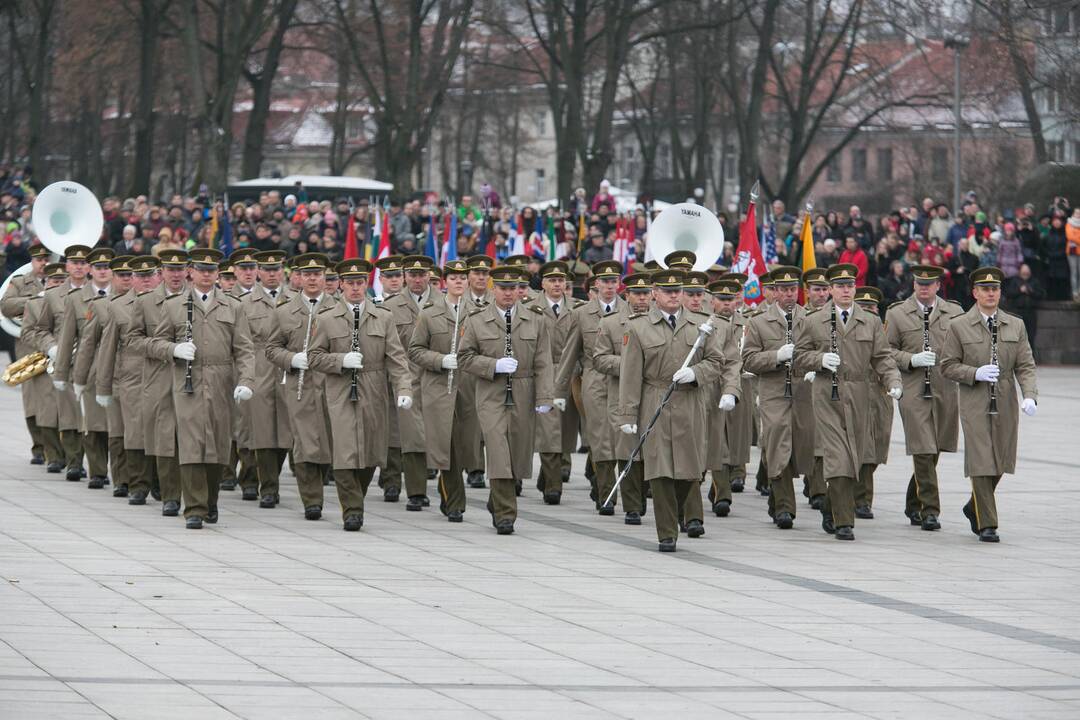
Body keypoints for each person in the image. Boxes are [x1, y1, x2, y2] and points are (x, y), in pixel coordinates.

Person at [615, 268, 724, 552]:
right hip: (656, 398)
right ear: (654, 294)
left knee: (690, 471)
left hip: (690, 401)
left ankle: (675, 513)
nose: (674, 295)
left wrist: (696, 372)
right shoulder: (638, 327)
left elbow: (716, 361)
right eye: (667, 291)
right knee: (660, 470)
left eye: (678, 291)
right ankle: (666, 533)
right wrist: (627, 414)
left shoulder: (701, 325)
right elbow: (630, 375)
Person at [148, 248, 256, 529]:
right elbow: (155, 343)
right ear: (190, 272)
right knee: (191, 442)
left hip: (222, 380)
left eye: (211, 271)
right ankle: (193, 508)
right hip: (188, 380)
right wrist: (174, 349)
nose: (206, 275)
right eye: (200, 270)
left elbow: (244, 349)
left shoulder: (234, 307)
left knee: (218, 445)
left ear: (218, 273)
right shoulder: (173, 306)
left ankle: (210, 500)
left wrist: (246, 381)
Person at [793, 263, 901, 541]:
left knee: (856, 458)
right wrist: (819, 360)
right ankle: (844, 522)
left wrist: (893, 382)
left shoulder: (870, 320)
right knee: (839, 456)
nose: (845, 290)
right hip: (828, 392)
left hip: (860, 392)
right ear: (830, 289)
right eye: (840, 286)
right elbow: (798, 356)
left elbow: (883, 358)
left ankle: (831, 507)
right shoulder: (815, 320)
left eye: (849, 285)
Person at [306, 259, 412, 531]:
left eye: (360, 282)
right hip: (339, 389)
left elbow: (397, 358)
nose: (355, 288)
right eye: (350, 283)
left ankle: (356, 495)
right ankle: (352, 510)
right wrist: (341, 360)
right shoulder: (327, 318)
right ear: (341, 284)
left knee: (370, 452)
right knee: (344, 450)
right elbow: (314, 357)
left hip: (374, 388)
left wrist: (403, 388)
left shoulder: (383, 317)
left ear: (367, 283)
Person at [940, 267, 1038, 543]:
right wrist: (974, 373)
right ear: (975, 293)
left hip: (1005, 397)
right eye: (985, 289)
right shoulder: (959, 325)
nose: (990, 293)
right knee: (982, 459)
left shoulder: (1014, 325)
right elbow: (947, 366)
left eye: (994, 289)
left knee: (1001, 460)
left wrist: (1029, 394)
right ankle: (988, 524)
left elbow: (1025, 364)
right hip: (975, 398)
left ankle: (975, 505)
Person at [457, 266, 555, 535]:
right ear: (493, 289)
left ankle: (497, 499)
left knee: (518, 452)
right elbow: (464, 358)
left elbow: (544, 361)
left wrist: (546, 396)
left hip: (524, 390)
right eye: (503, 288)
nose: (509, 293)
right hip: (491, 391)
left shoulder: (536, 319)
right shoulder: (477, 319)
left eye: (514, 288)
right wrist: (494, 365)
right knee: (498, 450)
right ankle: (505, 514)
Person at [884, 265, 963, 530]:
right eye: (920, 283)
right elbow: (885, 351)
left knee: (935, 447)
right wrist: (911, 359)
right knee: (923, 447)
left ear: (939, 286)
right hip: (913, 387)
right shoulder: (897, 313)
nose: (924, 288)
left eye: (929, 284)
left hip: (945, 387)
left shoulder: (954, 312)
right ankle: (931, 510)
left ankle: (913, 501)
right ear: (914, 285)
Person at [265, 253, 337, 521]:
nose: (313, 279)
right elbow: (271, 348)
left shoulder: (338, 308)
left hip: (332, 384)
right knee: (306, 442)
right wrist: (291, 359)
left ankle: (325, 483)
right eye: (307, 274)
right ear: (298, 277)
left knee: (329, 441)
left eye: (317, 274)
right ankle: (312, 500)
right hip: (300, 384)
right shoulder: (284, 310)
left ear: (324, 277)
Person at [741, 266, 807, 529]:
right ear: (774, 292)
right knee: (778, 444)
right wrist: (776, 356)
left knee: (799, 447)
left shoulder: (810, 319)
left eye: (793, 289)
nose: (790, 294)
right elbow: (748, 359)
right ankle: (784, 508)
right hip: (773, 391)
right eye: (784, 290)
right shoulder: (758, 322)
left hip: (803, 392)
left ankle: (776, 499)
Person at [407, 258, 471, 522]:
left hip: (470, 388)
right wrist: (440, 360)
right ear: (445, 282)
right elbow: (415, 350)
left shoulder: (481, 311)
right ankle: (454, 500)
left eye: (462, 277)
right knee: (447, 448)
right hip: (439, 388)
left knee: (470, 447)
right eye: (453, 278)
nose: (458, 282)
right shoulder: (430, 313)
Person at [125, 248, 188, 516]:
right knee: (165, 437)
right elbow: (132, 340)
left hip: (193, 378)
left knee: (192, 437)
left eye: (180, 269)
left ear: (188, 271)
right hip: (160, 376)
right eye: (170, 270)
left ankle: (196, 493)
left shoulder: (197, 300)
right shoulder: (147, 302)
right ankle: (170, 494)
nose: (175, 275)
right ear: (161, 272)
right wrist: (167, 349)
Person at [94, 256, 161, 506]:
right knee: (134, 433)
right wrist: (103, 386)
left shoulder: (171, 303)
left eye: (149, 276)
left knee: (162, 432)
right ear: (132, 279)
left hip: (163, 376)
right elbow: (107, 349)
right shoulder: (118, 306)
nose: (145, 281)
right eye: (140, 276)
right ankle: (138, 484)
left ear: (158, 276)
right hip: (131, 378)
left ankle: (161, 482)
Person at [71, 255, 135, 498]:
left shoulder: (144, 302)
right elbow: (87, 344)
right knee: (100, 427)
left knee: (129, 430)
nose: (126, 279)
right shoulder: (100, 305)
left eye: (130, 275)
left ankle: (135, 478)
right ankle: (107, 474)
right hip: (103, 371)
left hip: (135, 374)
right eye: (122, 275)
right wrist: (79, 378)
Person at [53, 247, 115, 489]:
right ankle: (98, 472)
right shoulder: (76, 299)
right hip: (90, 369)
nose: (103, 271)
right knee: (95, 425)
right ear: (90, 270)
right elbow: (68, 338)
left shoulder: (125, 295)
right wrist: (61, 374)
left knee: (118, 427)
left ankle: (123, 473)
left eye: (107, 267)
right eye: (98, 267)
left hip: (119, 369)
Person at [593, 272, 653, 524]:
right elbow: (599, 358)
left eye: (645, 293)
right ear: (626, 295)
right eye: (636, 294)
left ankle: (647, 497)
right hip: (621, 394)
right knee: (627, 449)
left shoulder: (660, 320)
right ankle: (631, 505)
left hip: (651, 392)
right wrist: (630, 364)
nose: (641, 299)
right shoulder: (611, 322)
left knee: (651, 448)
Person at [382, 255, 434, 510]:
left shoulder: (444, 303)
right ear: (405, 277)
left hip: (436, 377)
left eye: (422, 274)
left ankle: (449, 491)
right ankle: (415, 491)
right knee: (409, 435)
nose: (417, 279)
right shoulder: (392, 306)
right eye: (412, 275)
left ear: (429, 276)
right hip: (405, 377)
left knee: (437, 435)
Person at [528, 260, 579, 504]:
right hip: (543, 373)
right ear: (543, 284)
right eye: (552, 280)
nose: (557, 284)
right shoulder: (530, 308)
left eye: (561, 280)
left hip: (570, 375)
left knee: (566, 432)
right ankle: (552, 485)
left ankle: (546, 476)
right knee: (549, 431)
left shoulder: (578, 309)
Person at [705, 277, 751, 519]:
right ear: (712, 301)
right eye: (722, 299)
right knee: (716, 442)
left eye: (730, 299)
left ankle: (734, 476)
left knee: (737, 441)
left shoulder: (747, 323)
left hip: (738, 385)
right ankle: (722, 493)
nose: (726, 304)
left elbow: (741, 358)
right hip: (709, 386)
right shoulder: (705, 324)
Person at [1, 242, 48, 464]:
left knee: (57, 399)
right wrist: (34, 301)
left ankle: (55, 447)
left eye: (47, 259)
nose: (43, 264)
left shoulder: (59, 281)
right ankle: (38, 446)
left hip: (54, 343)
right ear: (32, 261)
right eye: (39, 260)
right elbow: (6, 306)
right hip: (28, 345)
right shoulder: (20, 281)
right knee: (31, 398)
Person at [852, 285, 894, 519]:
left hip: (880, 394)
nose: (868, 311)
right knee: (862, 449)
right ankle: (861, 500)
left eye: (872, 307)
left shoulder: (884, 329)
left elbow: (892, 354)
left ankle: (854, 492)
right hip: (855, 390)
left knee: (877, 448)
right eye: (863, 306)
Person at [1004, 264, 1044, 353]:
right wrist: (1019, 290)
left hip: (1031, 312)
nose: (1025, 273)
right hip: (1017, 312)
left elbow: (1041, 294)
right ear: (1020, 271)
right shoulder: (1014, 281)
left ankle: (1030, 358)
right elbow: (1008, 293)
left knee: (1031, 336)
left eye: (1027, 271)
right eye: (1024, 271)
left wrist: (1031, 291)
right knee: (1017, 336)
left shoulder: (1034, 281)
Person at [1067, 208, 1080, 301]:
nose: (1078, 214)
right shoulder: (1069, 223)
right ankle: (1074, 292)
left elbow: (1073, 236)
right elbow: (1070, 236)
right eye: (1076, 213)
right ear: (1073, 214)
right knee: (1074, 272)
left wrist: (1075, 236)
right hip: (1071, 252)